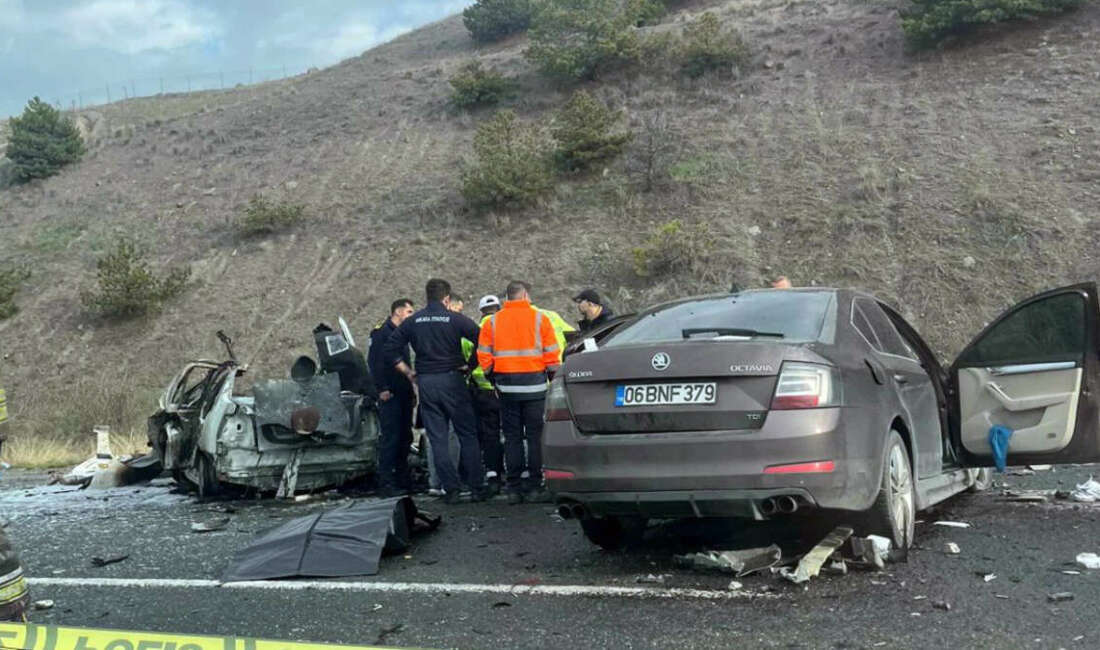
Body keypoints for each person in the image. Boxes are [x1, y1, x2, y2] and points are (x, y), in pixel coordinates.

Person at [385, 279, 486, 505]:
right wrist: (471, 366)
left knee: (438, 438)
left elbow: (390, 348)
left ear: (427, 297)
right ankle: (477, 487)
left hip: (427, 383)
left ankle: (450, 490)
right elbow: (483, 339)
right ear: (447, 299)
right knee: (467, 434)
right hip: (453, 380)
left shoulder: (413, 321)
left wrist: (408, 373)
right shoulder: (455, 319)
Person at [478, 281, 561, 504]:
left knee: (512, 437)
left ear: (507, 297)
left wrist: (492, 377)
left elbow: (484, 355)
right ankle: (535, 485)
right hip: (535, 385)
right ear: (524, 295)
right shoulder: (540, 319)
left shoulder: (492, 321)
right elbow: (552, 353)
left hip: (506, 387)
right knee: (535, 437)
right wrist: (552, 376)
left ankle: (513, 488)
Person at [368, 298, 416, 497]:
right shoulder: (381, 333)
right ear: (397, 311)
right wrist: (382, 388)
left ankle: (403, 478)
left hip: (403, 391)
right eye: (409, 312)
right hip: (390, 393)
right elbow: (375, 363)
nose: (411, 316)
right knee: (391, 437)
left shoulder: (402, 334)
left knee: (405, 436)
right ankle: (386, 481)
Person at [466, 294, 504, 495]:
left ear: (481, 312)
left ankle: (493, 475)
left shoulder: (472, 331)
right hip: (506, 388)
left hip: (483, 392)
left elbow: (466, 360)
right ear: (499, 308)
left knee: (490, 436)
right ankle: (519, 475)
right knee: (515, 433)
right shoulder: (506, 329)